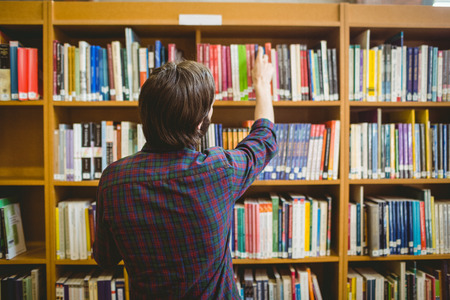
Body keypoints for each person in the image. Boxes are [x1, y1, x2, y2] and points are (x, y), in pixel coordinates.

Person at [93, 48, 278, 299]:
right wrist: (261, 84)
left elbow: (105, 259)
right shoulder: (219, 172)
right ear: (200, 123)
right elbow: (264, 138)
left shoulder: (114, 180)